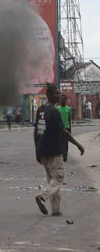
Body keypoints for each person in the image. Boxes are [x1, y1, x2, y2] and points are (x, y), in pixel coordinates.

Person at [34, 84, 84, 216]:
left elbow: (36, 132)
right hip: (54, 151)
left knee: (52, 180)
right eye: (57, 93)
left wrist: (37, 151)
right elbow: (63, 131)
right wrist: (78, 144)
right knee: (59, 178)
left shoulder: (40, 110)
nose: (59, 95)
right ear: (50, 95)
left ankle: (56, 210)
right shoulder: (54, 111)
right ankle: (42, 197)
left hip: (43, 150)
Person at [56, 94, 73, 162]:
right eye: (61, 99)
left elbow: (69, 119)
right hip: (59, 128)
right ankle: (60, 155)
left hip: (67, 127)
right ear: (60, 100)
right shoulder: (57, 108)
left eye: (64, 100)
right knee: (60, 142)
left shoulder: (68, 108)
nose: (63, 101)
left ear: (66, 100)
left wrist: (70, 129)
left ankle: (65, 156)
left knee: (65, 142)